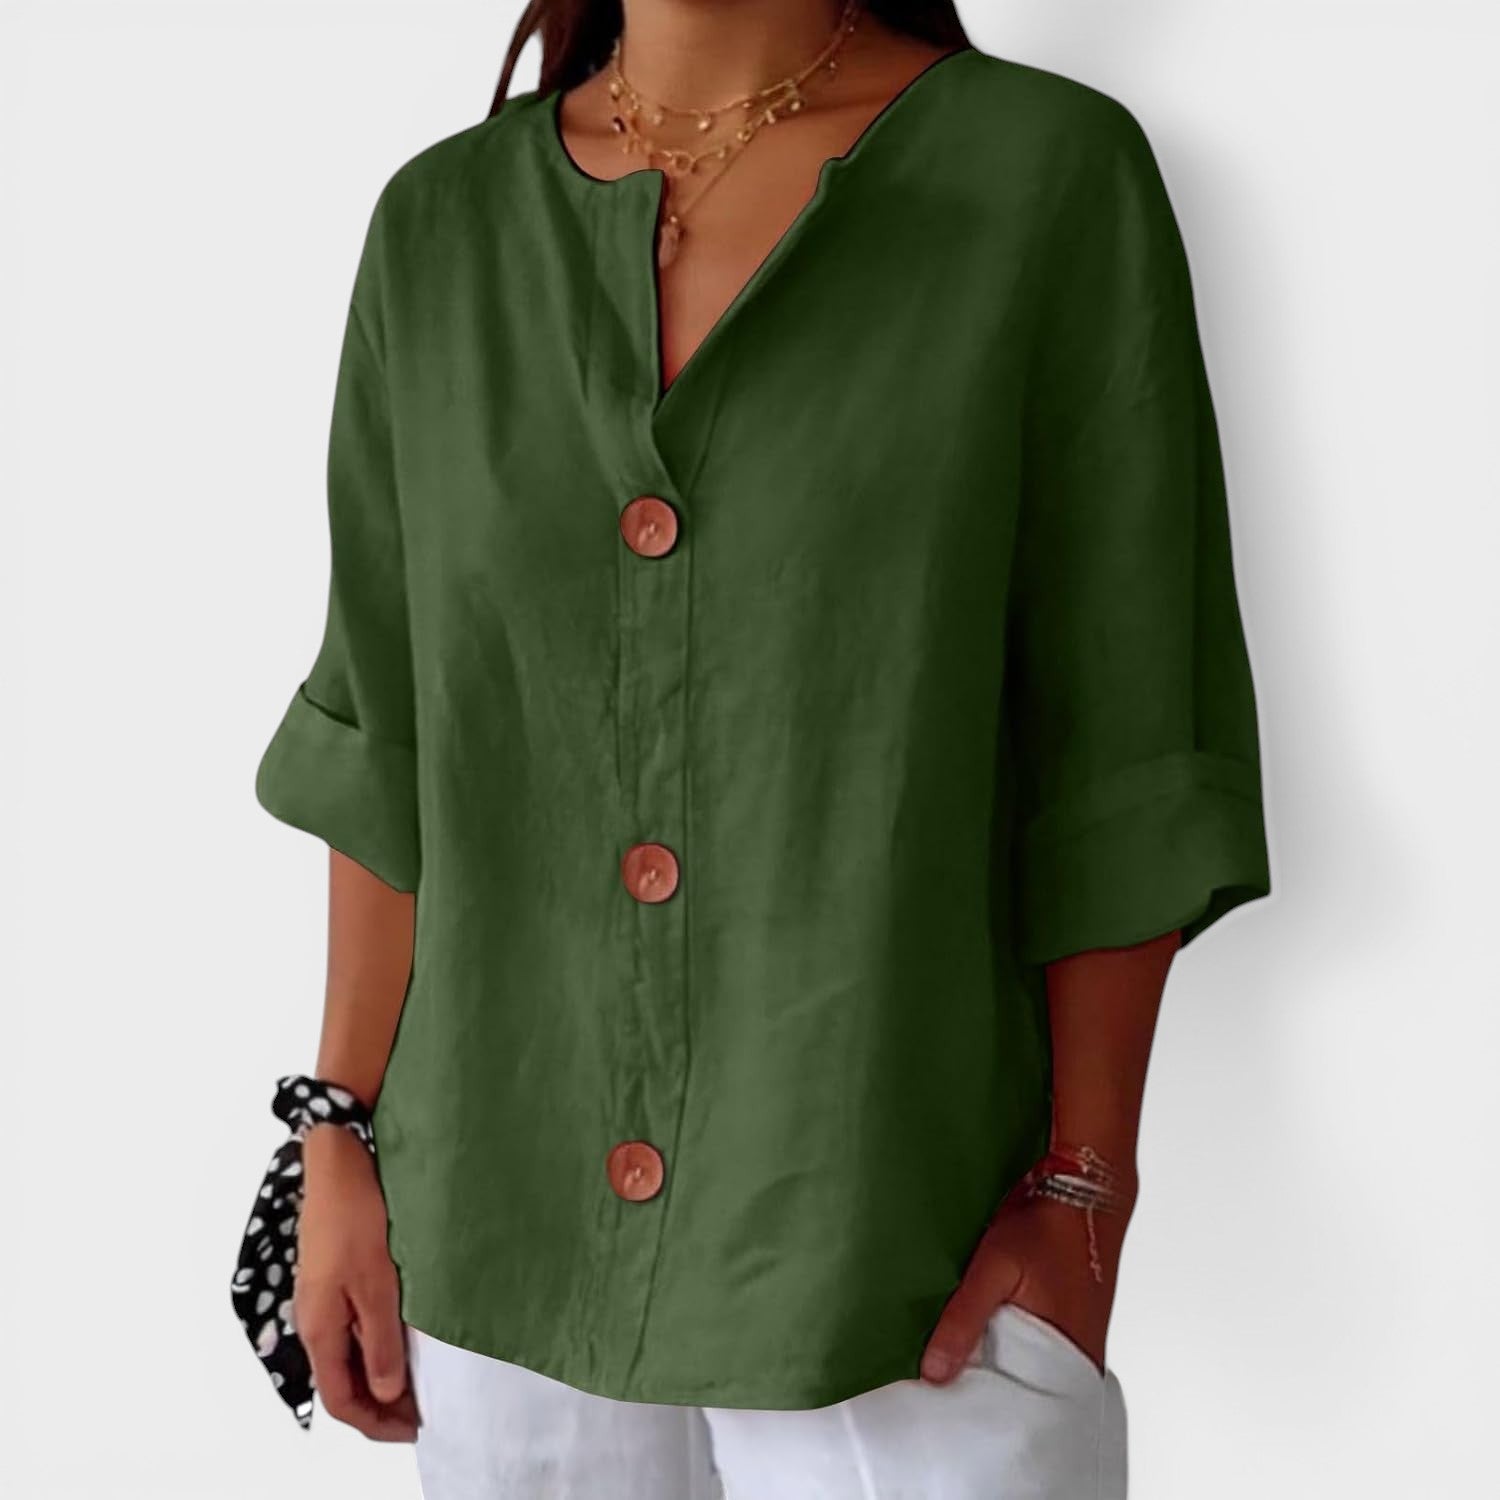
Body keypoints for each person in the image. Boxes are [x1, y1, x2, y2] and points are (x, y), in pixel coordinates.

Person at [244, 0, 1272, 1494]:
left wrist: (1085, 1190)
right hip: (498, 1254)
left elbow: (1126, 743)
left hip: (903, 1266)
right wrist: (335, 1134)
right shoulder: (441, 231)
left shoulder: (1047, 180)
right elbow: (388, 730)